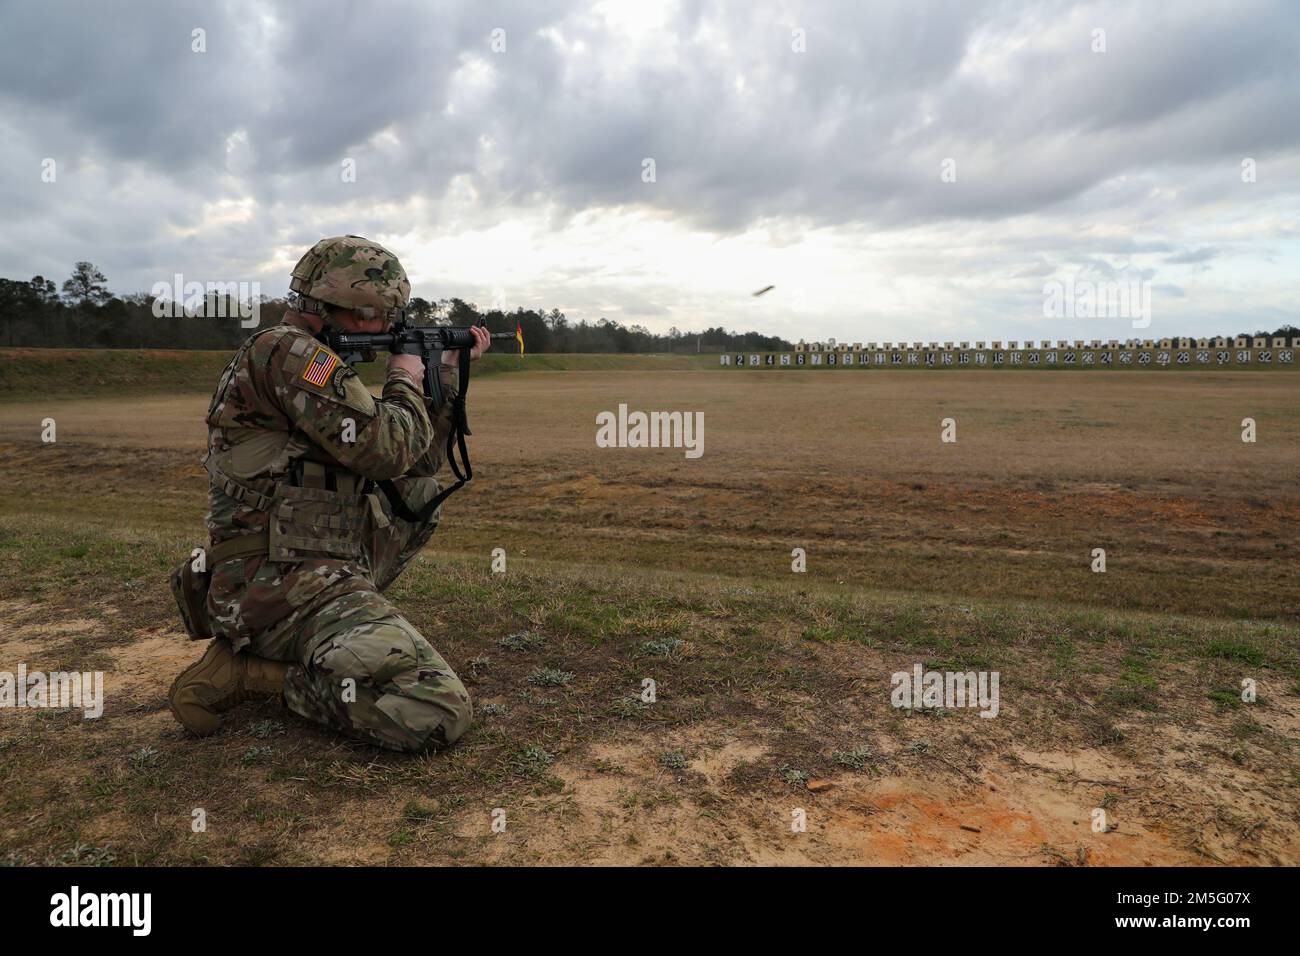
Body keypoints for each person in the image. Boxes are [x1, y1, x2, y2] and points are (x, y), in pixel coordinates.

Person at [168, 235, 490, 752]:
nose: (387, 329)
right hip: (275, 582)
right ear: (337, 308)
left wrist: (445, 371)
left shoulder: (307, 357)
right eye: (377, 315)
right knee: (434, 709)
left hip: (309, 564)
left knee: (421, 492)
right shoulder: (291, 354)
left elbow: (416, 462)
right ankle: (254, 674)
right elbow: (386, 448)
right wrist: (405, 375)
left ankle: (344, 628)